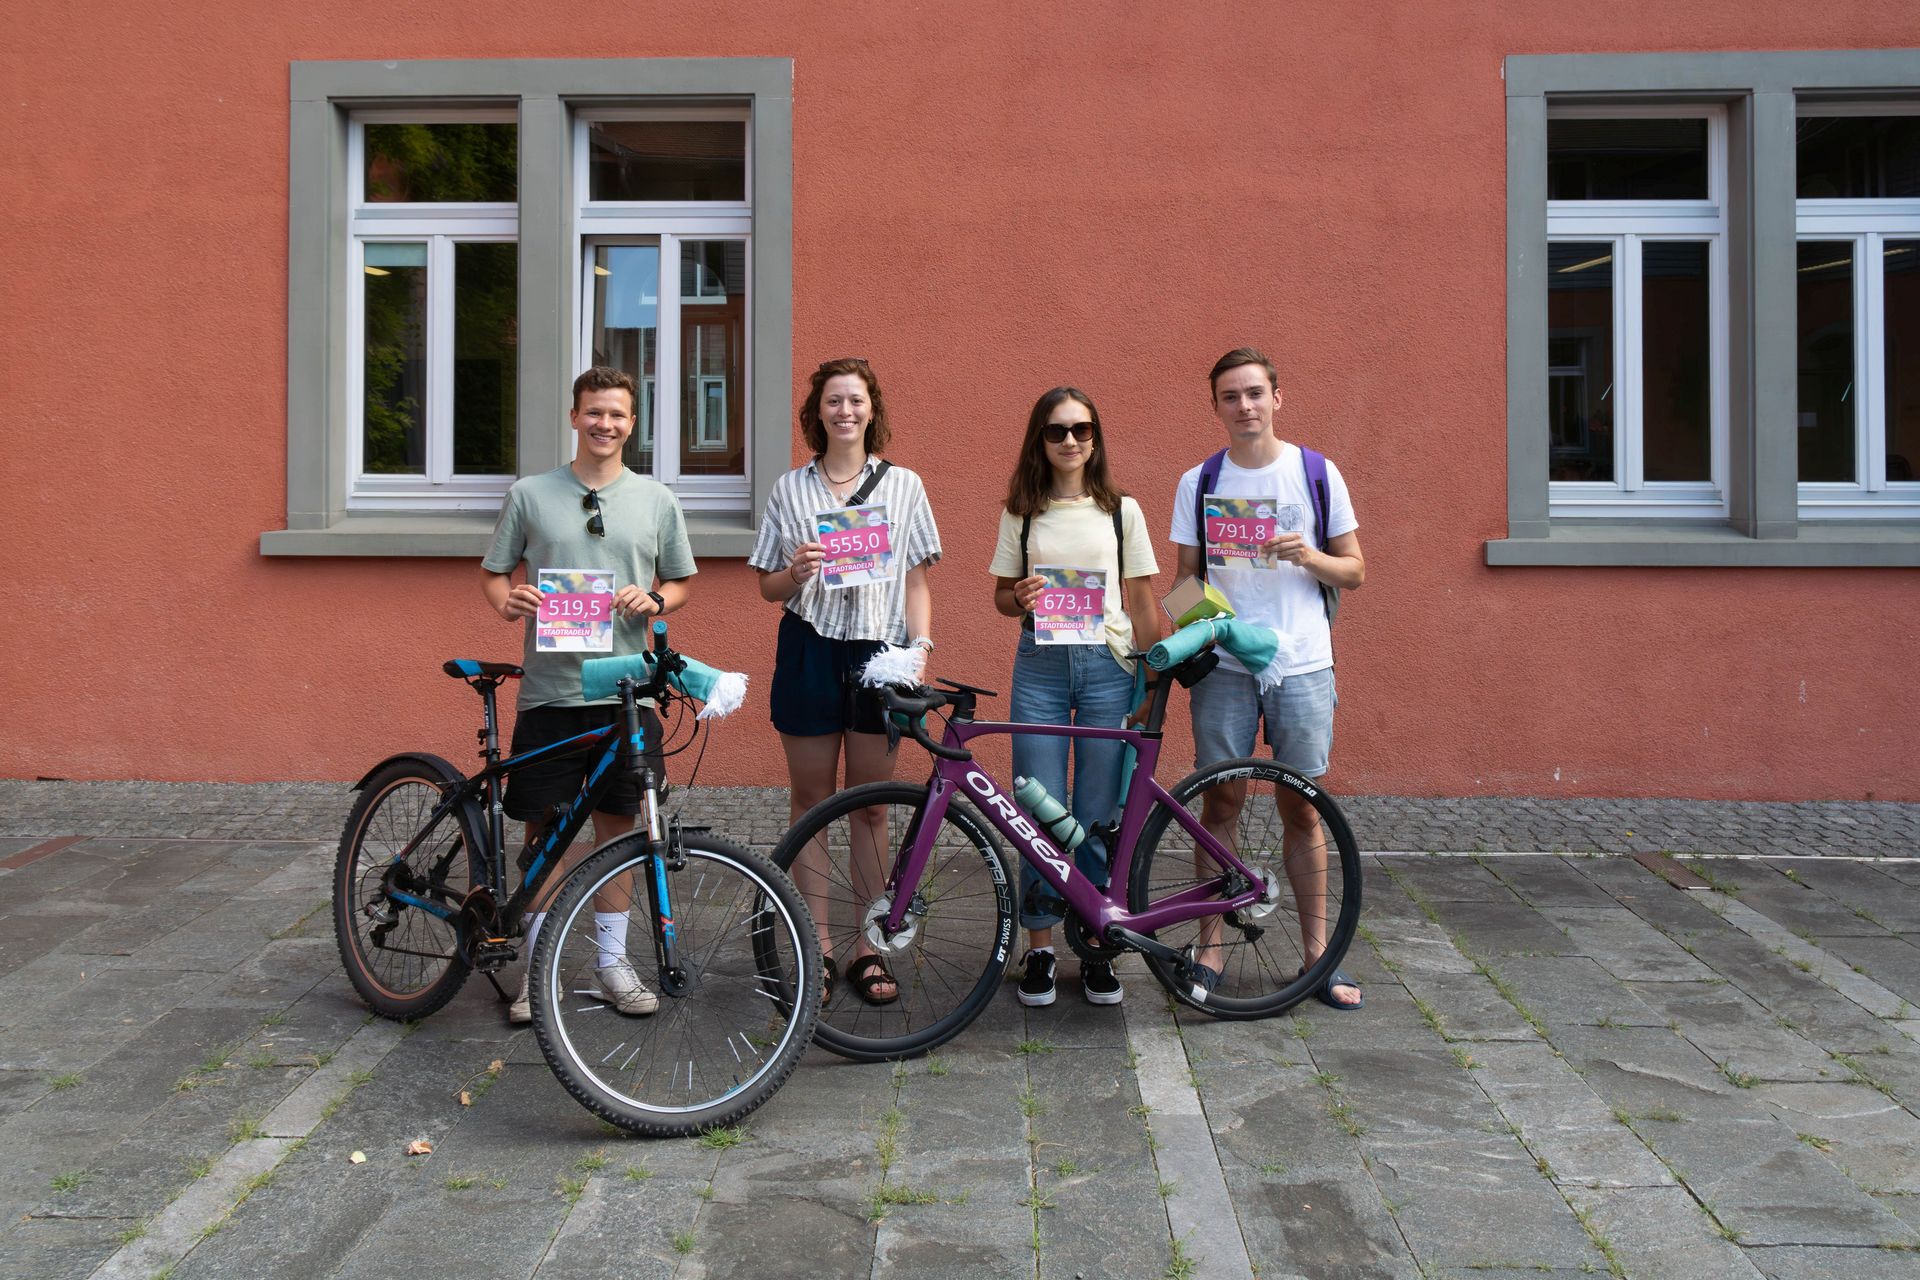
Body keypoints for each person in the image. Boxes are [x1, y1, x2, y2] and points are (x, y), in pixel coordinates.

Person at [482, 365, 696, 1023]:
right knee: (545, 834)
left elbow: (681, 583)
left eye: (618, 415)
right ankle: (535, 968)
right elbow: (494, 577)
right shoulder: (531, 494)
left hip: (626, 692)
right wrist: (511, 603)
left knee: (616, 833)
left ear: (633, 423)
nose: (605, 424)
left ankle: (611, 965)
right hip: (550, 692)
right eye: (594, 412)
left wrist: (657, 597)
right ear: (575, 417)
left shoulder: (656, 499)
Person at [1169, 348, 1366, 1010]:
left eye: (1255, 393)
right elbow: (1184, 583)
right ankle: (1211, 948)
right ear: (1216, 406)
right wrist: (1208, 623)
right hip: (1225, 669)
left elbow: (1356, 571)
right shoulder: (1198, 481)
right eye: (1231, 396)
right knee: (1219, 805)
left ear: (1278, 397)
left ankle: (1318, 956)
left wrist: (1307, 555)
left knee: (1302, 807)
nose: (1245, 406)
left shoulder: (1316, 473)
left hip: (1304, 663)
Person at [749, 357, 941, 1005]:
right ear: (818, 411)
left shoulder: (904, 485)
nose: (845, 411)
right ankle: (819, 947)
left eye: (855, 400)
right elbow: (768, 585)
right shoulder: (789, 490)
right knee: (810, 803)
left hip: (878, 653)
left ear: (871, 408)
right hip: (809, 648)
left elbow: (916, 579)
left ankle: (868, 947)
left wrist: (918, 648)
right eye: (834, 400)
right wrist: (795, 572)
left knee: (872, 806)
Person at [990, 388, 1160, 1007]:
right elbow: (1002, 597)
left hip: (1109, 668)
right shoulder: (1022, 511)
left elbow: (1140, 599)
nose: (1070, 441)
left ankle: (1095, 939)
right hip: (1039, 665)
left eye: (1082, 430)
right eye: (1057, 431)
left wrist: (1154, 677)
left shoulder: (1123, 512)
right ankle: (1039, 947)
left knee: (1093, 812)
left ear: (1096, 438)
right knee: (1038, 809)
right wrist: (1022, 598)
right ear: (1040, 439)